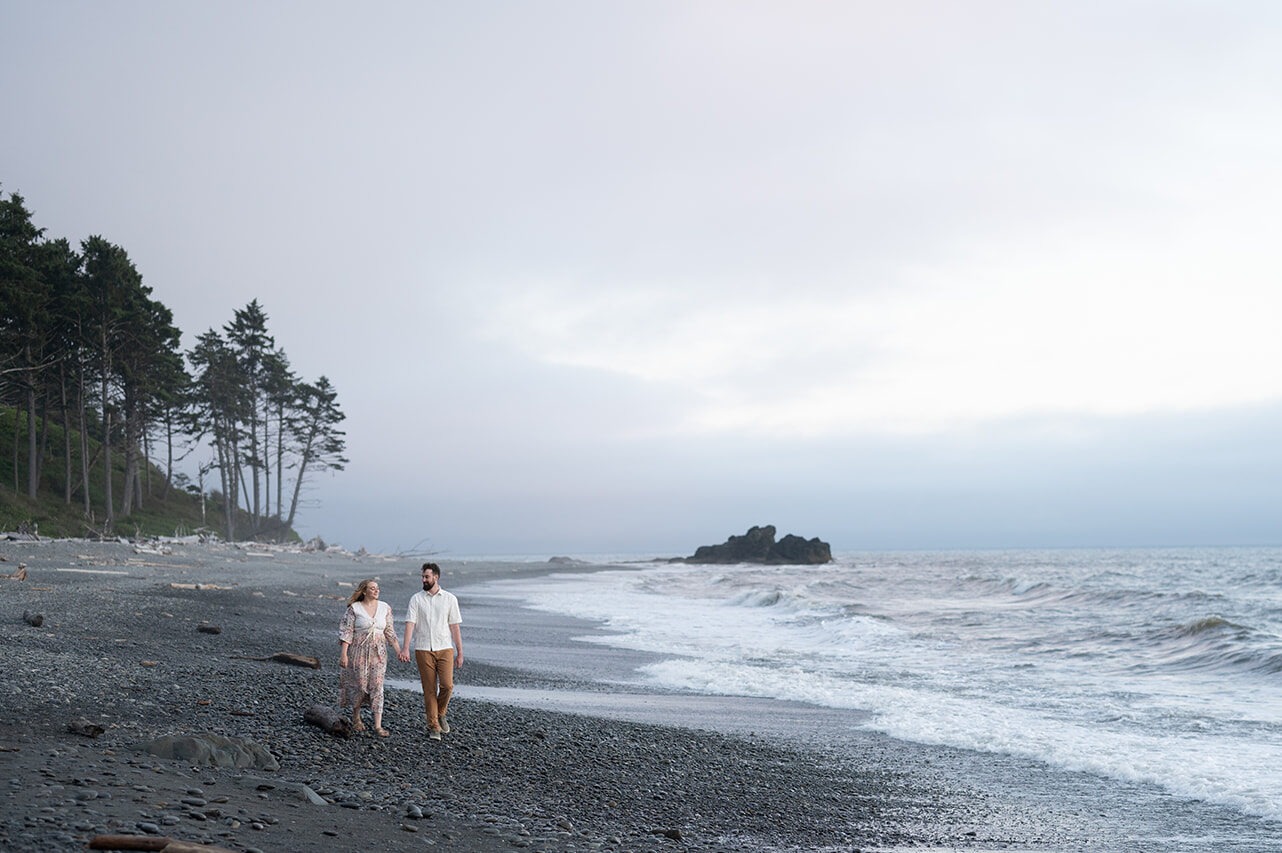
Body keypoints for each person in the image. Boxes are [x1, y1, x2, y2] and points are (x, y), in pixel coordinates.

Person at [398, 562, 463, 741]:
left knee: (447, 686)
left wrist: (460, 652)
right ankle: (433, 726)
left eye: (426, 577)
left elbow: (455, 627)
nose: (423, 580)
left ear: (436, 577)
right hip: (423, 648)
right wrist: (405, 648)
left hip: (445, 648)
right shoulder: (416, 599)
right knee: (429, 689)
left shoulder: (450, 599)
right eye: (422, 577)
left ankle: (441, 713)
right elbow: (410, 624)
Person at [338, 578, 401, 737]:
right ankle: (356, 716)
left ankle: (378, 725)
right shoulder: (354, 608)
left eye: (377, 588)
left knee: (377, 686)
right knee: (360, 685)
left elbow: (389, 632)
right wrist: (344, 654)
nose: (376, 591)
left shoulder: (385, 608)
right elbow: (347, 632)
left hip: (378, 653)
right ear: (364, 591)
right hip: (357, 651)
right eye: (372, 588)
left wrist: (399, 651)